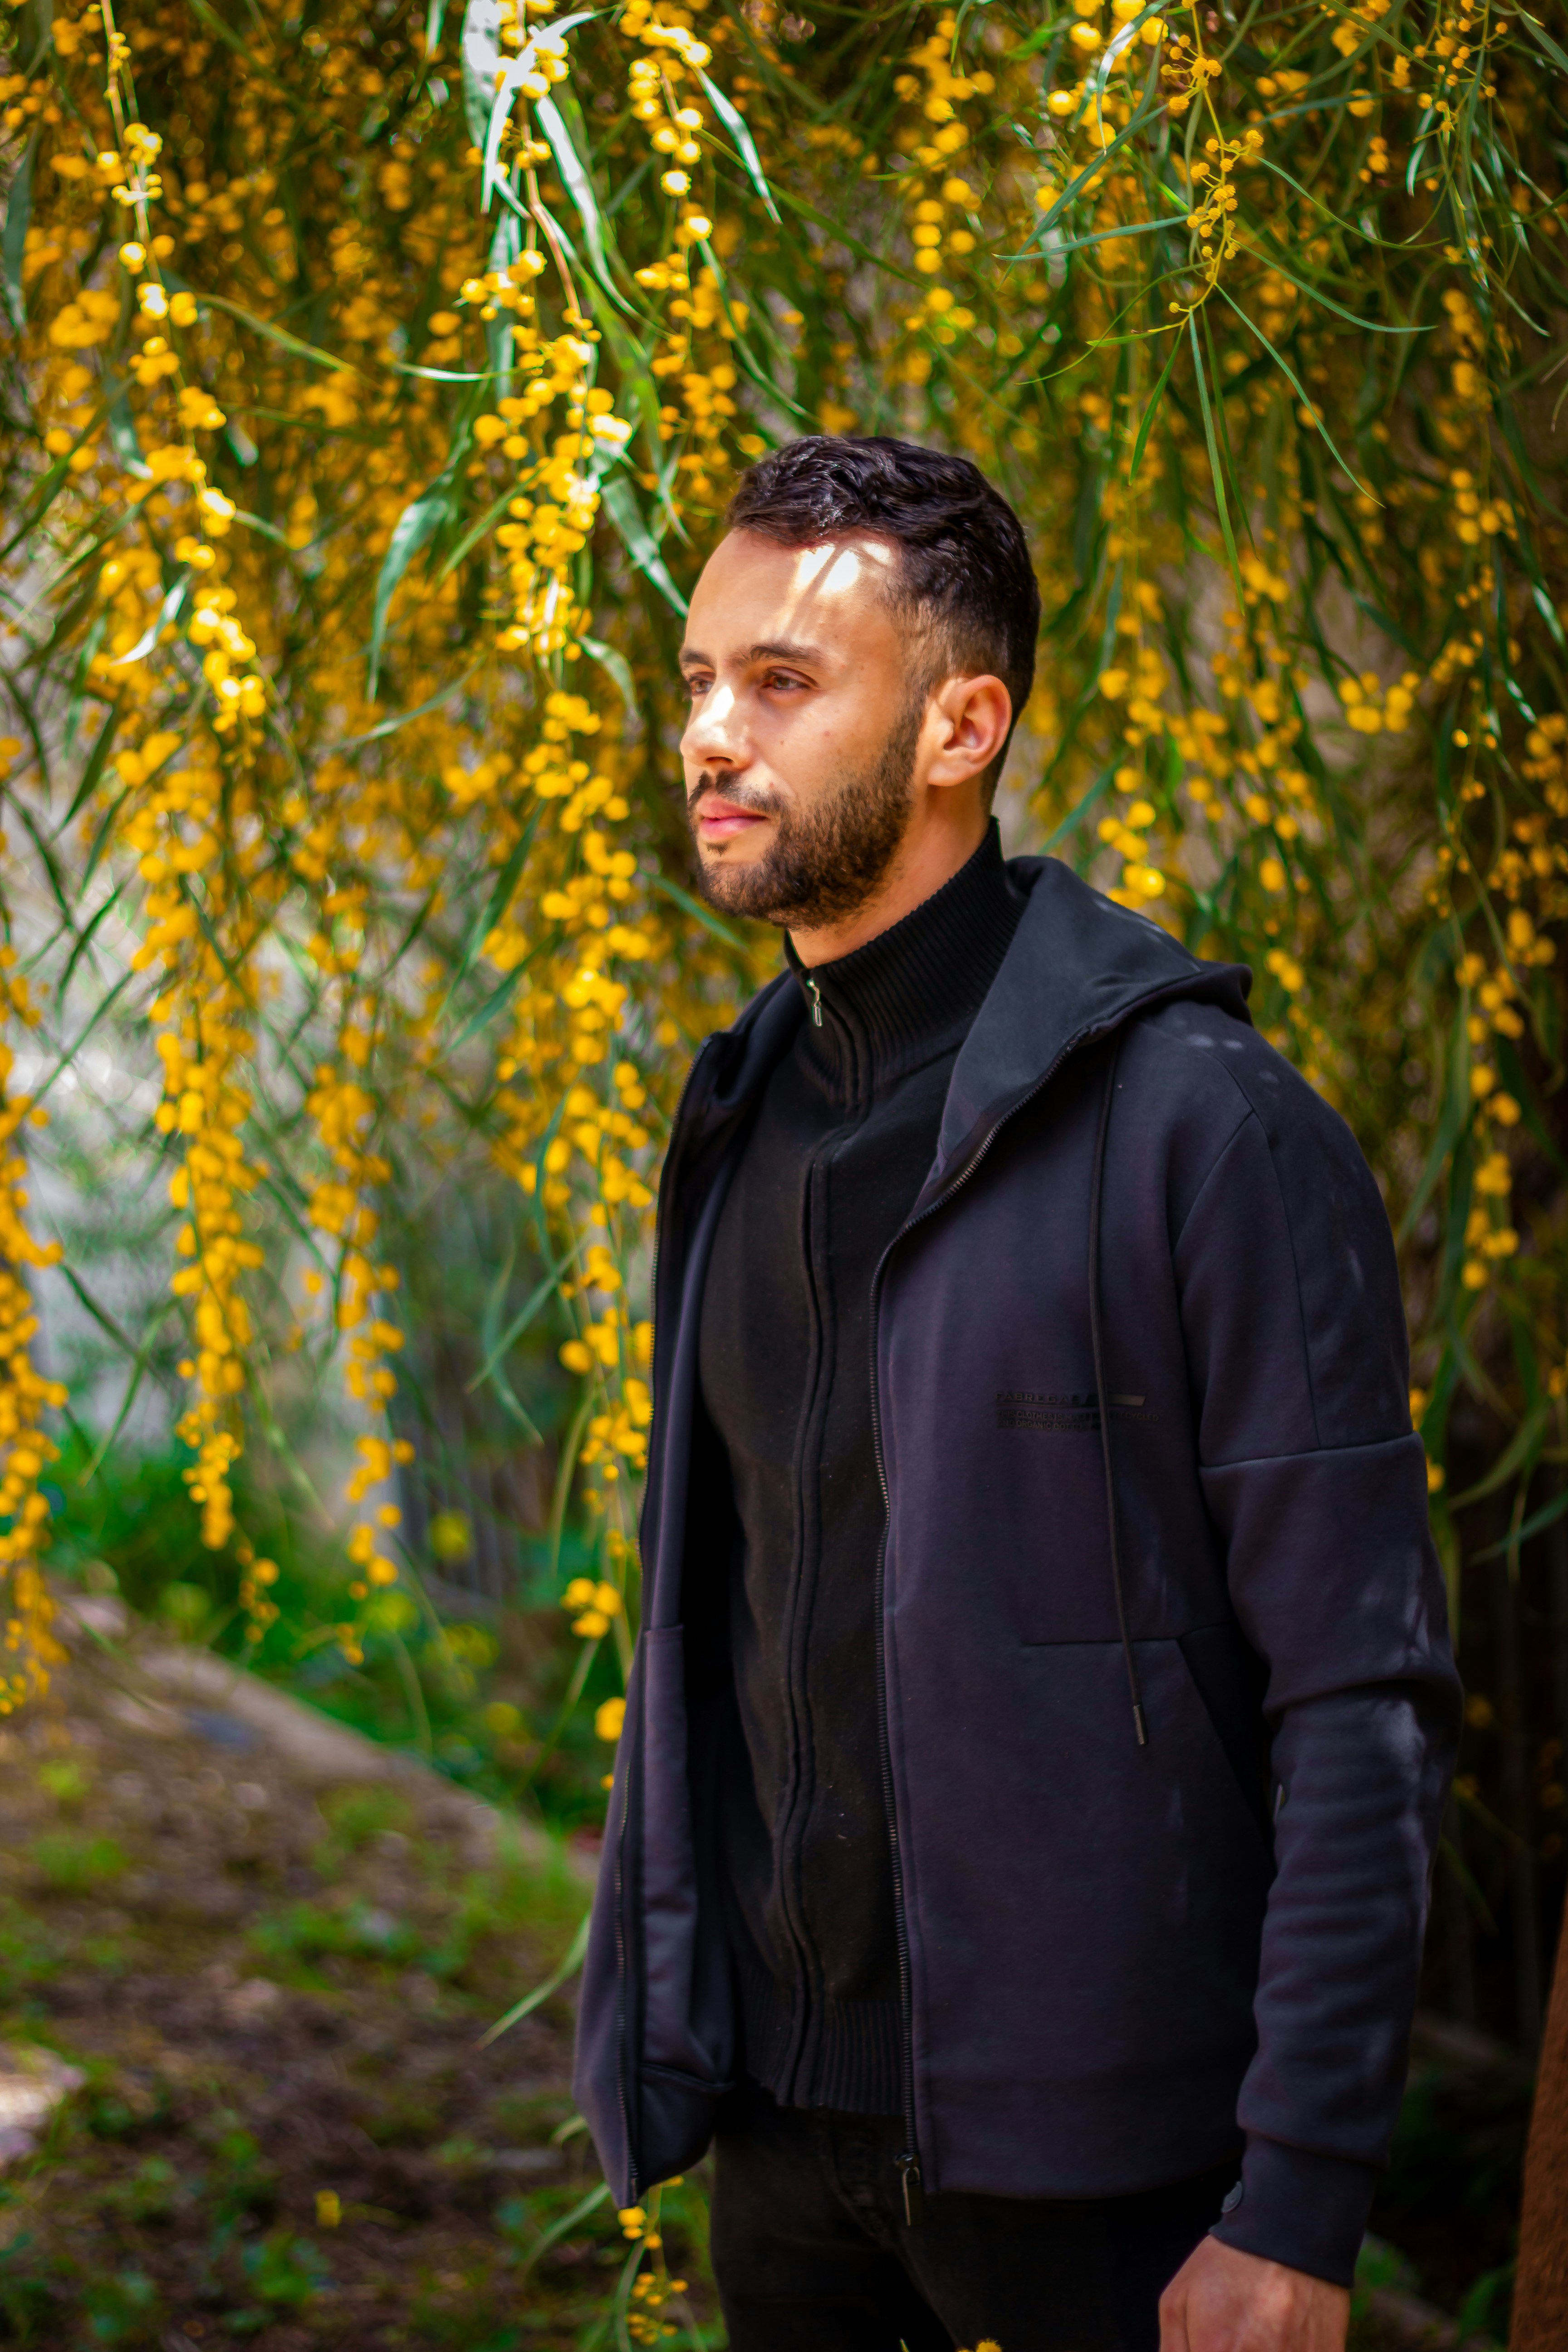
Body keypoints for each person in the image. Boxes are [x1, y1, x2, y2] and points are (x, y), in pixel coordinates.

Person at [573, 435, 1460, 2352]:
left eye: (783, 684)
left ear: (964, 723)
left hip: (1100, 2185)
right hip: (781, 2159)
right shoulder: (737, 1117)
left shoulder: (1204, 1128)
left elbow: (1360, 1692)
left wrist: (1298, 2205)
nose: (712, 735)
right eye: (699, 681)